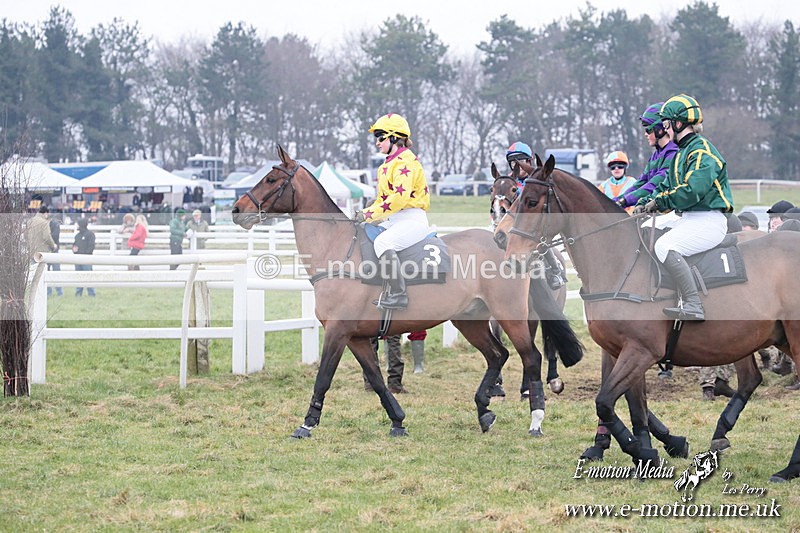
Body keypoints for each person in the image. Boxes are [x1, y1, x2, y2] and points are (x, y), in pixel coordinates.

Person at [635, 94, 734, 321]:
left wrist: (658, 203)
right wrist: (644, 204)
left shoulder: (701, 152)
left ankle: (693, 304)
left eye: (667, 124)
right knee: (643, 229)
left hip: (709, 220)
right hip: (688, 217)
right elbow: (667, 186)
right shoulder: (681, 153)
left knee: (664, 246)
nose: (665, 130)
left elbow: (691, 191)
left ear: (679, 124)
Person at [359, 113, 431, 310]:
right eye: (376, 138)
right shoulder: (386, 165)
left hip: (411, 219)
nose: (377, 143)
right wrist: (364, 214)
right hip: (394, 219)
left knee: (384, 241)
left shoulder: (405, 161)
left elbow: (398, 199)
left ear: (394, 138)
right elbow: (382, 200)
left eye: (380, 137)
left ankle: (399, 294)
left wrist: (367, 214)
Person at [505, 141, 566, 290]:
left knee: (540, 238)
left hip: (529, 224)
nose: (517, 166)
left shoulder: (536, 180)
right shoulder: (507, 181)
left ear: (528, 161)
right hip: (510, 223)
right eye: (513, 163)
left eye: (520, 161)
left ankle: (555, 270)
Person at [614, 103, 679, 212]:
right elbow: (640, 183)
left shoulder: (673, 154)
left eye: (648, 130)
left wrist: (624, 201)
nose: (645, 134)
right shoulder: (656, 155)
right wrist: (616, 200)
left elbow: (653, 185)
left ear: (660, 129)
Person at [72, 218, 96, 297]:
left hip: (87, 259)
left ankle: (91, 293)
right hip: (78, 259)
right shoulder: (77, 236)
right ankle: (78, 293)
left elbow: (91, 246)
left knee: (88, 276)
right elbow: (74, 245)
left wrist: (86, 255)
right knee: (78, 276)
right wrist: (74, 249)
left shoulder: (90, 234)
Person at [47, 209, 63, 297]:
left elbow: (55, 235)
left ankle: (59, 292)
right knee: (47, 271)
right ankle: (48, 292)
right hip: (48, 250)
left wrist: (48, 239)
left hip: (53, 250)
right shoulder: (45, 224)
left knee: (56, 271)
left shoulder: (55, 224)